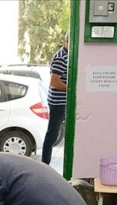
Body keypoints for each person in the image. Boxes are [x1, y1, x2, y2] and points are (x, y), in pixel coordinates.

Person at [42, 31, 69, 165]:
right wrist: (72, 89)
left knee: (55, 133)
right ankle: (44, 164)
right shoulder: (61, 57)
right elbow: (55, 81)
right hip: (58, 102)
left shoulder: (68, 55)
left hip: (62, 101)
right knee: (53, 134)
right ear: (67, 42)